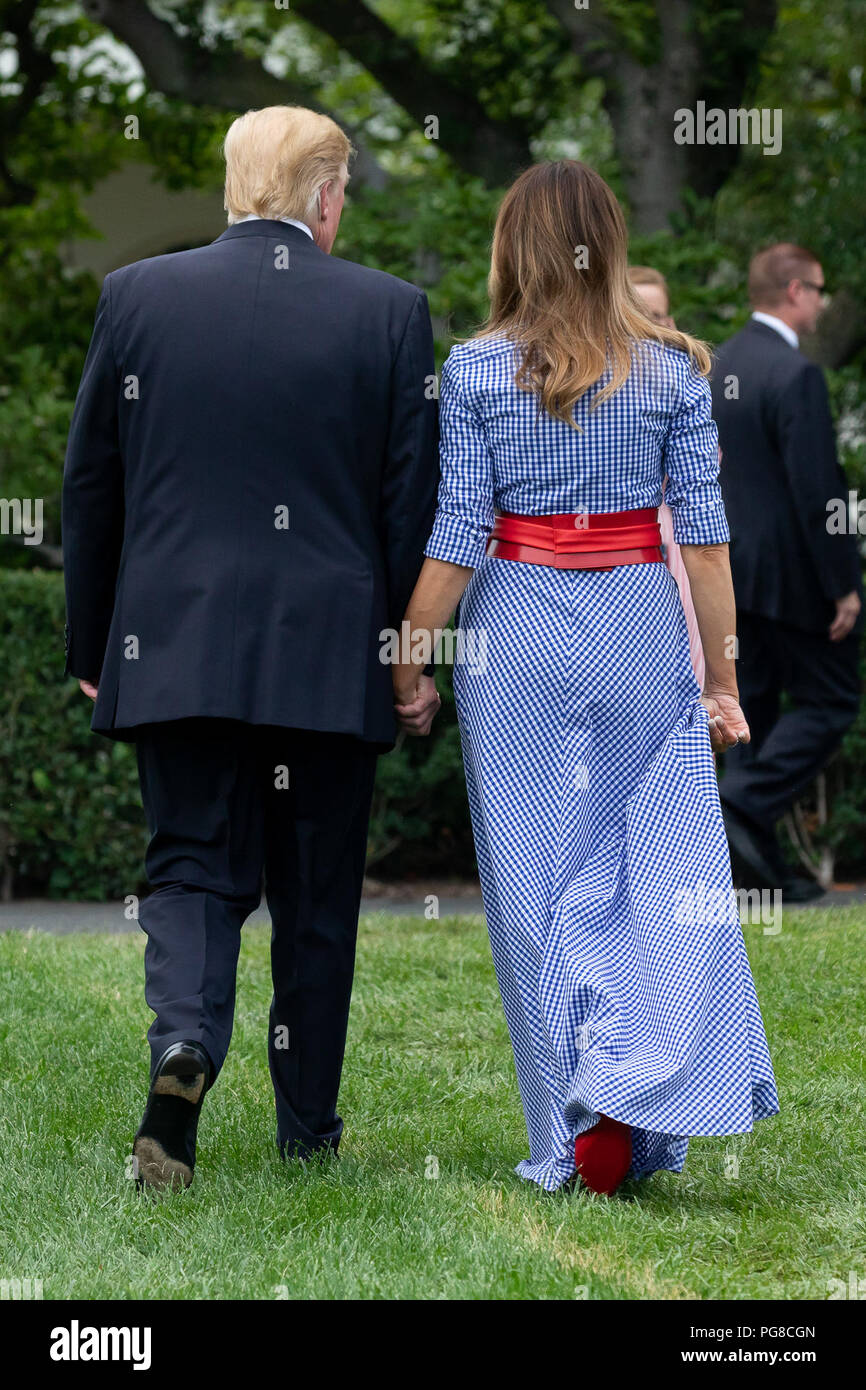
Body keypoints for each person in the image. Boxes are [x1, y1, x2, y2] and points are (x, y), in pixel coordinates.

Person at [62, 106, 439, 1190]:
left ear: (235, 186)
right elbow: (409, 508)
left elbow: (93, 489)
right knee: (315, 898)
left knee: (186, 869)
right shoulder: (389, 311)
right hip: (329, 656)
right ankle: (306, 1131)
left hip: (172, 646)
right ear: (325, 197)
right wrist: (409, 665)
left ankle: (182, 1042)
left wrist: (99, 642)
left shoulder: (137, 296)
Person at [394, 161, 778, 1196]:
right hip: (639, 634)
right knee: (650, 877)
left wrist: (409, 658)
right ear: (608, 242)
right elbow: (702, 543)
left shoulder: (473, 371)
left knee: (532, 890)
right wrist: (722, 678)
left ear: (510, 247)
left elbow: (458, 532)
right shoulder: (673, 370)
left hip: (514, 631)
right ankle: (633, 1096)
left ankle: (568, 1130)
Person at [711, 244, 862, 901]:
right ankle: (740, 797)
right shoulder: (795, 374)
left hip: (728, 570)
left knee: (756, 713)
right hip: (790, 577)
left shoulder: (717, 363)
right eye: (820, 290)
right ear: (795, 290)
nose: (825, 303)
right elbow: (816, 491)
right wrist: (843, 585)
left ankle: (757, 877)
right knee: (833, 699)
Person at [628, 266, 705, 687]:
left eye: (659, 316)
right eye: (641, 315)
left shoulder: (685, 387)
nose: (653, 327)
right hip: (631, 547)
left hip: (683, 549)